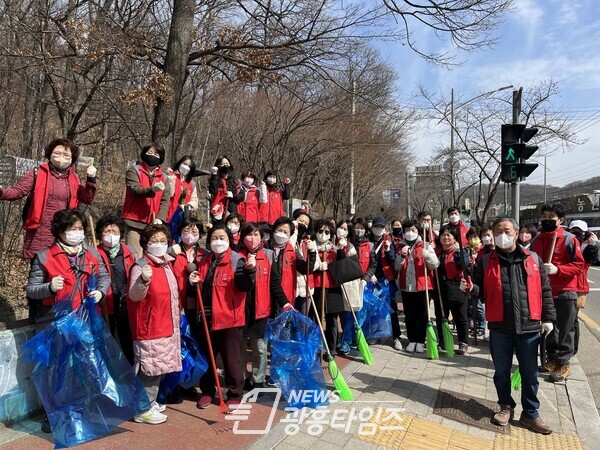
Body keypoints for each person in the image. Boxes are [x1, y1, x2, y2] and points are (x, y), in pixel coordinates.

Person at [25, 209, 110, 433]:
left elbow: (103, 276)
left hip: (85, 320)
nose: (77, 233)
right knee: (55, 370)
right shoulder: (44, 256)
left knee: (87, 366)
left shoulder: (92, 253)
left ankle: (86, 408)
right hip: (54, 322)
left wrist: (101, 292)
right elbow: (31, 290)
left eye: (80, 228)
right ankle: (53, 414)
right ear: (60, 231)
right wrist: (49, 288)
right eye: (72, 229)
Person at [471, 217, 555, 435]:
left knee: (530, 374)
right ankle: (505, 406)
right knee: (501, 372)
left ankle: (531, 413)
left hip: (529, 327)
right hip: (500, 326)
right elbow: (479, 290)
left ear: (517, 233)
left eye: (506, 230)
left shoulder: (533, 258)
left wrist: (549, 318)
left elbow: (545, 290)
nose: (502, 235)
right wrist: (470, 288)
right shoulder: (486, 260)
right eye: (497, 231)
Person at [1, 138, 97, 321]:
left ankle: (61, 318)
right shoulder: (38, 172)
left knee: (63, 278)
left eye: (66, 155)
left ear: (73, 158)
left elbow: (87, 198)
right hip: (40, 233)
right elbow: (18, 191)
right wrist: (2, 193)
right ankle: (35, 319)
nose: (61, 157)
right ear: (49, 154)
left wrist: (91, 180)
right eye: (57, 153)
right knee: (39, 278)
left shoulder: (74, 178)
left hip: (64, 236)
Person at [189, 224, 253, 410]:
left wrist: (250, 271)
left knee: (231, 359)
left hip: (229, 319)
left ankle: (234, 393)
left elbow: (245, 285)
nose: (218, 241)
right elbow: (199, 285)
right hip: (206, 316)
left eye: (222, 238)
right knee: (207, 357)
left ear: (229, 240)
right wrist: (193, 280)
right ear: (209, 241)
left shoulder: (237, 260)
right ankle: (208, 391)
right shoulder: (205, 260)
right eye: (214, 238)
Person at [127, 223, 182, 425]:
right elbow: (134, 295)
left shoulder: (165, 264)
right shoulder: (141, 266)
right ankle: (142, 409)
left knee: (159, 368)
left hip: (166, 324)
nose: (158, 244)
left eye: (162, 240)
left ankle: (149, 402)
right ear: (145, 243)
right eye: (153, 241)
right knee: (149, 370)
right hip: (150, 327)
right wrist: (143, 279)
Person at [530, 204, 584, 382]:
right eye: (544, 216)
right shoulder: (538, 240)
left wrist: (557, 270)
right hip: (544, 293)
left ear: (560, 220)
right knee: (549, 328)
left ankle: (563, 363)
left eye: (551, 216)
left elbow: (579, 266)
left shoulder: (569, 240)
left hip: (565, 292)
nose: (546, 219)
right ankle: (551, 359)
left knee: (565, 330)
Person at [238, 222, 292, 390]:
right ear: (242, 236)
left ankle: (258, 379)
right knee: (239, 348)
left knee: (260, 349)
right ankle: (241, 378)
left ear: (262, 238)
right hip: (239, 311)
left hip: (261, 311)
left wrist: (285, 302)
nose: (252, 239)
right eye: (249, 234)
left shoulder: (268, 255)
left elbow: (275, 283)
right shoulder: (236, 255)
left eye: (256, 235)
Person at [394, 220, 439, 353]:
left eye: (413, 230)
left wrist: (428, 256)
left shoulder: (425, 245)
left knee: (423, 315)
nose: (410, 233)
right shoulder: (400, 246)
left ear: (418, 232)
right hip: (407, 287)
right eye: (407, 230)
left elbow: (435, 264)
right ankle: (412, 339)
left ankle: (421, 340)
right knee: (409, 315)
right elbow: (396, 267)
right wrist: (401, 256)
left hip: (423, 287)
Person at [96, 214, 135, 364]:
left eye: (115, 231)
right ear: (100, 233)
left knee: (128, 341)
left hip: (125, 304)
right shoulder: (95, 253)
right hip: (105, 304)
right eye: (107, 231)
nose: (111, 235)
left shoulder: (127, 252)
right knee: (108, 342)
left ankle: (131, 374)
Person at [122, 142, 171, 259]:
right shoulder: (134, 171)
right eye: (150, 152)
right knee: (135, 257)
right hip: (134, 222)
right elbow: (135, 190)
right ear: (144, 154)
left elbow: (165, 201)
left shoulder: (164, 177)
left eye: (156, 154)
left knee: (153, 256)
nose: (152, 155)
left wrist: (160, 218)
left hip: (153, 224)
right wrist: (152, 190)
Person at [311, 219, 351, 354]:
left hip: (333, 288)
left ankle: (330, 349)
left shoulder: (334, 249)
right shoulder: (311, 247)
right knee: (315, 319)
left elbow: (342, 265)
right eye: (320, 231)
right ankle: (316, 348)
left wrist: (341, 249)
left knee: (332, 320)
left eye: (327, 232)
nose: (323, 234)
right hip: (316, 287)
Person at [436, 226, 470, 355]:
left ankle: (463, 342)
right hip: (441, 287)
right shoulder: (438, 252)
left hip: (456, 286)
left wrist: (458, 254)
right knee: (441, 316)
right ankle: (443, 340)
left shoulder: (459, 251)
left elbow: (464, 266)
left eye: (449, 235)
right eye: (443, 235)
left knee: (460, 316)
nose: (445, 237)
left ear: (454, 238)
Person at [568, 220, 598, 355]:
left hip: (579, 287)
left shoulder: (587, 247)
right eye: (573, 230)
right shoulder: (566, 243)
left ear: (585, 233)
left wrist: (592, 246)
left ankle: (572, 349)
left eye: (579, 231)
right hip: (565, 284)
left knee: (573, 319)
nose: (576, 233)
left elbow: (589, 260)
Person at [370, 216, 400, 347]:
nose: (378, 229)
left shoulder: (388, 241)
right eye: (376, 226)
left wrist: (388, 251)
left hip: (386, 279)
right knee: (373, 307)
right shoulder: (367, 241)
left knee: (391, 308)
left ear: (385, 228)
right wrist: (368, 275)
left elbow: (393, 260)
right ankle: (375, 335)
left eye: (381, 227)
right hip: (371, 278)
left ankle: (396, 336)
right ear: (372, 228)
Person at [208, 156, 243, 221]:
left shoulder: (236, 181)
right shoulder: (215, 179)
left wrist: (233, 195)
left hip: (231, 212)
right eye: (223, 164)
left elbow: (241, 197)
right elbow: (213, 190)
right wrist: (214, 175)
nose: (225, 165)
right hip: (218, 211)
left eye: (227, 163)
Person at [165, 155, 199, 222]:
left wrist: (188, 206)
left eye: (189, 166)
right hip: (167, 216)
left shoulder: (192, 184)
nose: (186, 167)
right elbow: (169, 194)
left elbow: (194, 201)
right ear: (180, 163)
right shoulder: (172, 176)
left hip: (182, 218)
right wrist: (170, 178)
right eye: (184, 164)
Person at [466, 226, 485, 337]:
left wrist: (475, 264)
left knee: (478, 306)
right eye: (471, 237)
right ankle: (474, 324)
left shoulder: (482, 250)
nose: (473, 239)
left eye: (476, 237)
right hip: (468, 280)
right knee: (470, 305)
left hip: (478, 281)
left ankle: (481, 326)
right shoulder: (466, 250)